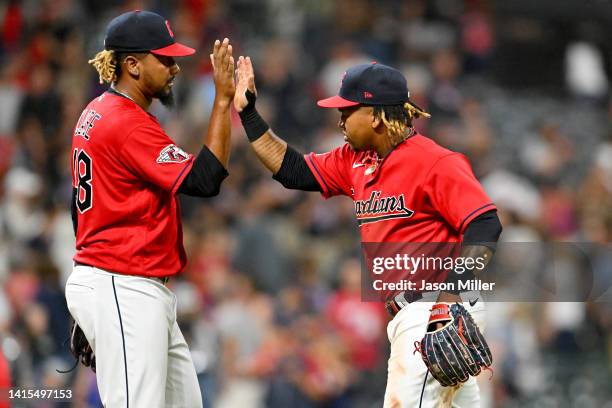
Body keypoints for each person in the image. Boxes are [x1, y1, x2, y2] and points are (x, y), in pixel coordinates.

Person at [233, 57, 502, 407]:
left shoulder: (435, 161)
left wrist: (447, 303)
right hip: (410, 313)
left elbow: (485, 224)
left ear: (376, 115)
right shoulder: (354, 160)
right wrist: (248, 113)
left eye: (348, 110)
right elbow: (293, 171)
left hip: (434, 309)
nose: (340, 118)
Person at [65, 10, 235, 407]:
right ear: (133, 65)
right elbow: (205, 180)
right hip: (123, 284)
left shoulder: (97, 111)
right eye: (166, 58)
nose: (175, 67)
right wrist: (223, 101)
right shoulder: (125, 121)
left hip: (119, 285)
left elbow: (81, 211)